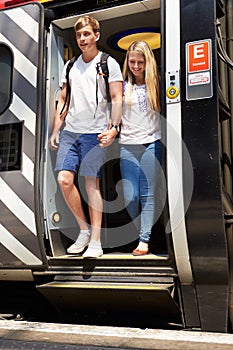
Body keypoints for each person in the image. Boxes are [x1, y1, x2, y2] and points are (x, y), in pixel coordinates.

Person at [49, 15, 123, 258]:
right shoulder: (70, 66)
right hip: (71, 131)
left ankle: (96, 242)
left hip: (94, 133)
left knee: (92, 185)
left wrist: (113, 128)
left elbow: (116, 98)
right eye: (79, 35)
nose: (82, 39)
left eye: (87, 34)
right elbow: (64, 100)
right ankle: (84, 230)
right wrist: (55, 130)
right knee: (64, 180)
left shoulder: (107, 63)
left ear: (96, 36)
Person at [119, 41, 161, 256]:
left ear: (148, 63)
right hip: (127, 144)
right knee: (130, 196)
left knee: (147, 194)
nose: (135, 66)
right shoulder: (123, 85)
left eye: (140, 62)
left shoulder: (157, 84)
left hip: (151, 143)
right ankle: (140, 231)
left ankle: (144, 240)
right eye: (132, 61)